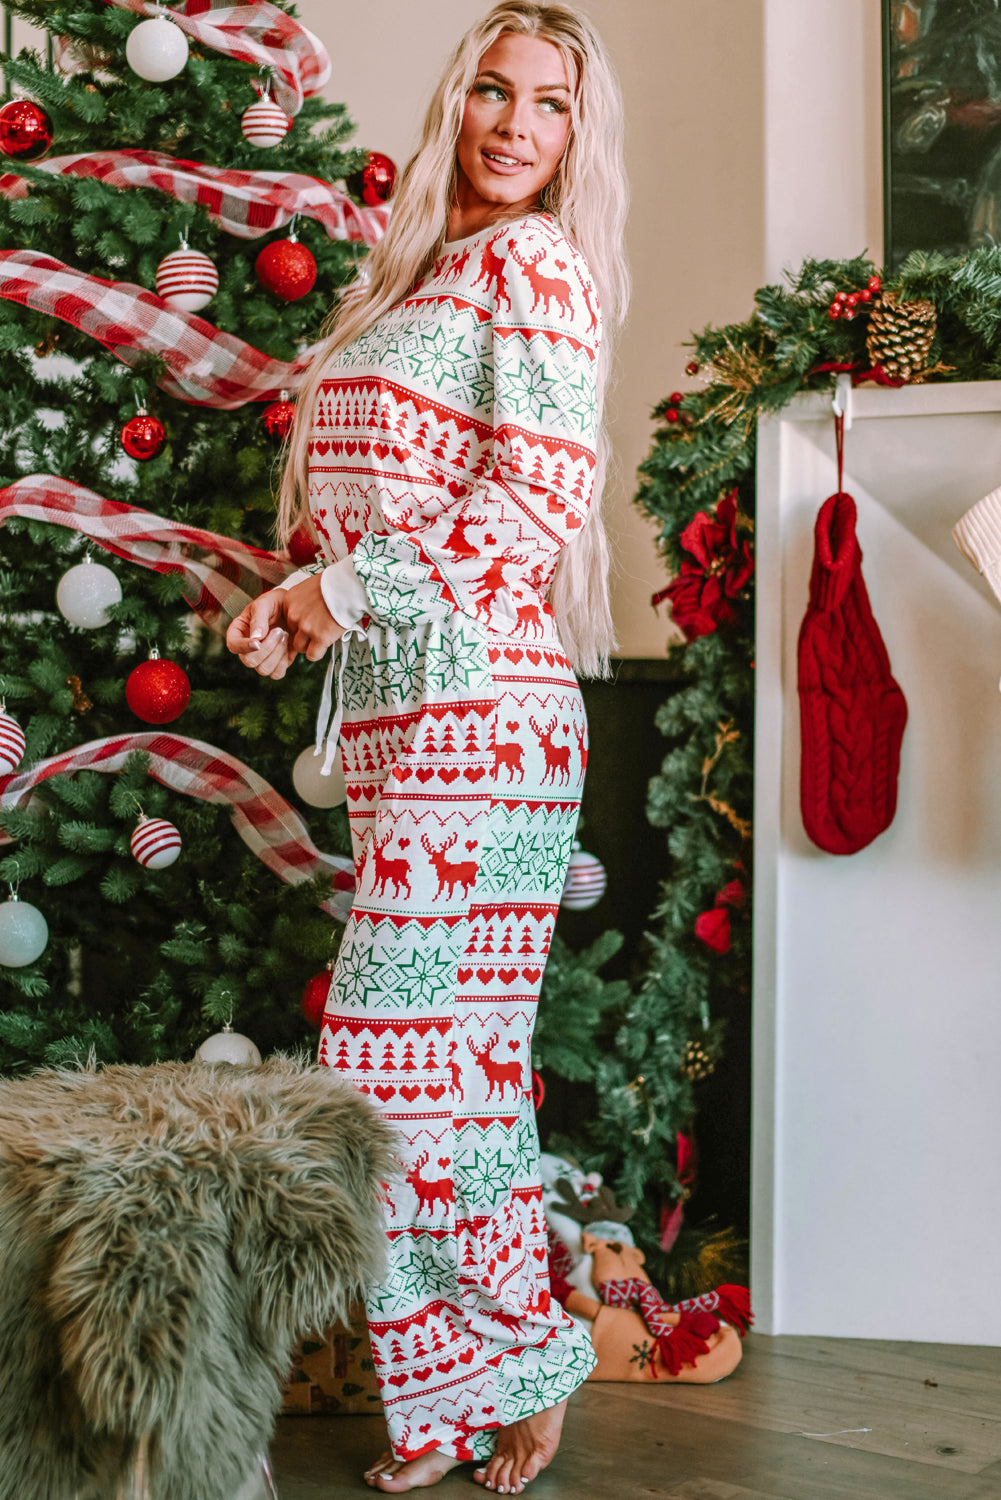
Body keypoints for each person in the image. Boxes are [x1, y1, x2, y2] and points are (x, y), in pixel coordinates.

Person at [226, 4, 628, 1491]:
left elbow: (528, 505)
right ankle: (466, 1400)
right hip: (402, 726)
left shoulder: (533, 267)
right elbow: (382, 506)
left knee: (394, 1063)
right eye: (495, 93)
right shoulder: (422, 277)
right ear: (455, 105)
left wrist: (340, 590)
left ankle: (517, 1360)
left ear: (580, 135)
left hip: (487, 721)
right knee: (457, 1071)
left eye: (553, 105)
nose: (518, 125)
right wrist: (298, 598)